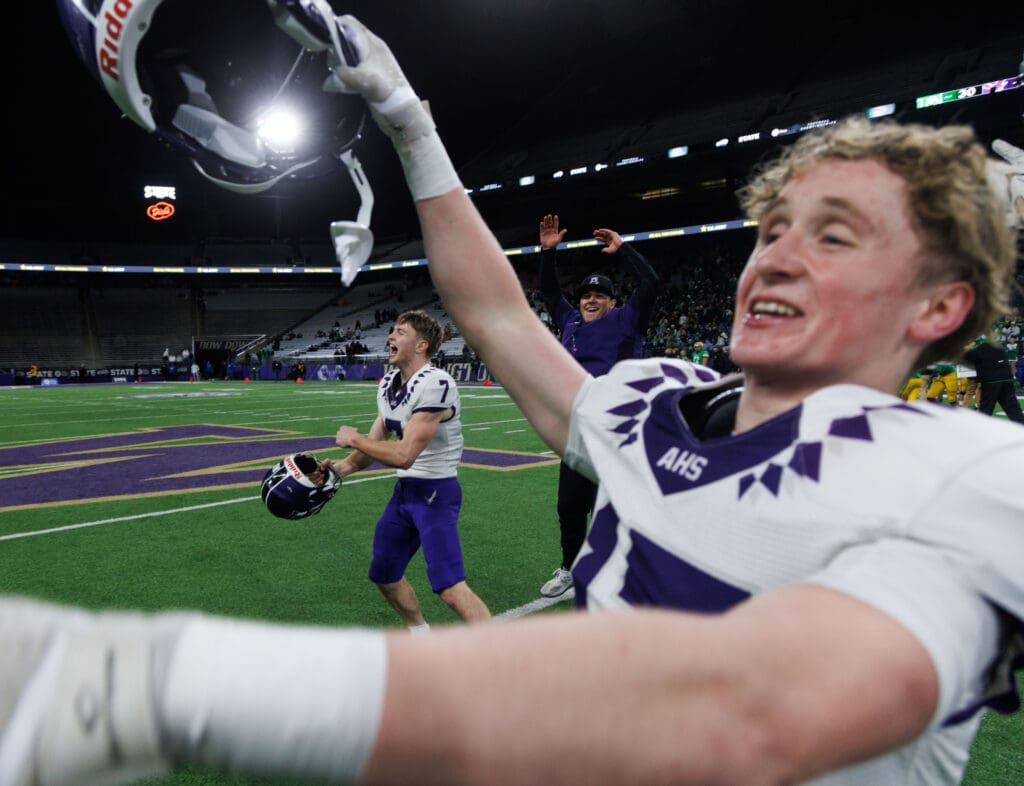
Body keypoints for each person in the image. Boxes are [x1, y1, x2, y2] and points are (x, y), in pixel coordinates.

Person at [5, 17, 1024, 786]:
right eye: (772, 229)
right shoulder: (653, 401)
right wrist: (411, 122)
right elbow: (494, 317)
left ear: (942, 303)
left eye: (833, 235)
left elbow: (753, 714)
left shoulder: (973, 480)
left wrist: (151, 684)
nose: (776, 259)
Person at [317, 309, 490, 629]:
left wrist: (353, 438)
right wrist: (335, 471)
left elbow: (404, 455)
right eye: (392, 331)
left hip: (436, 493)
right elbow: (371, 448)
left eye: (400, 332)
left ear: (421, 345)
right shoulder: (387, 385)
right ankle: (420, 634)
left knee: (451, 589)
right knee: (384, 573)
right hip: (405, 494)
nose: (390, 337)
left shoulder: (437, 382)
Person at [535, 214, 660, 597]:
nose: (591, 300)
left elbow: (651, 283)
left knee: (626, 506)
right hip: (579, 428)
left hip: (621, 427)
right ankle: (571, 567)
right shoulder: (571, 321)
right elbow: (550, 294)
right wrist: (547, 253)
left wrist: (623, 251)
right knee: (570, 507)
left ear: (612, 302)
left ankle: (643, 571)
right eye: (587, 295)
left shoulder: (626, 320)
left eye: (599, 296)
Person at [961, 335, 1024, 423]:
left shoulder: (981, 349)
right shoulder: (1000, 348)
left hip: (991, 382)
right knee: (1013, 409)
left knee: (985, 410)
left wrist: (972, 343)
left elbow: (964, 354)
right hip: (1007, 379)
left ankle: (982, 432)